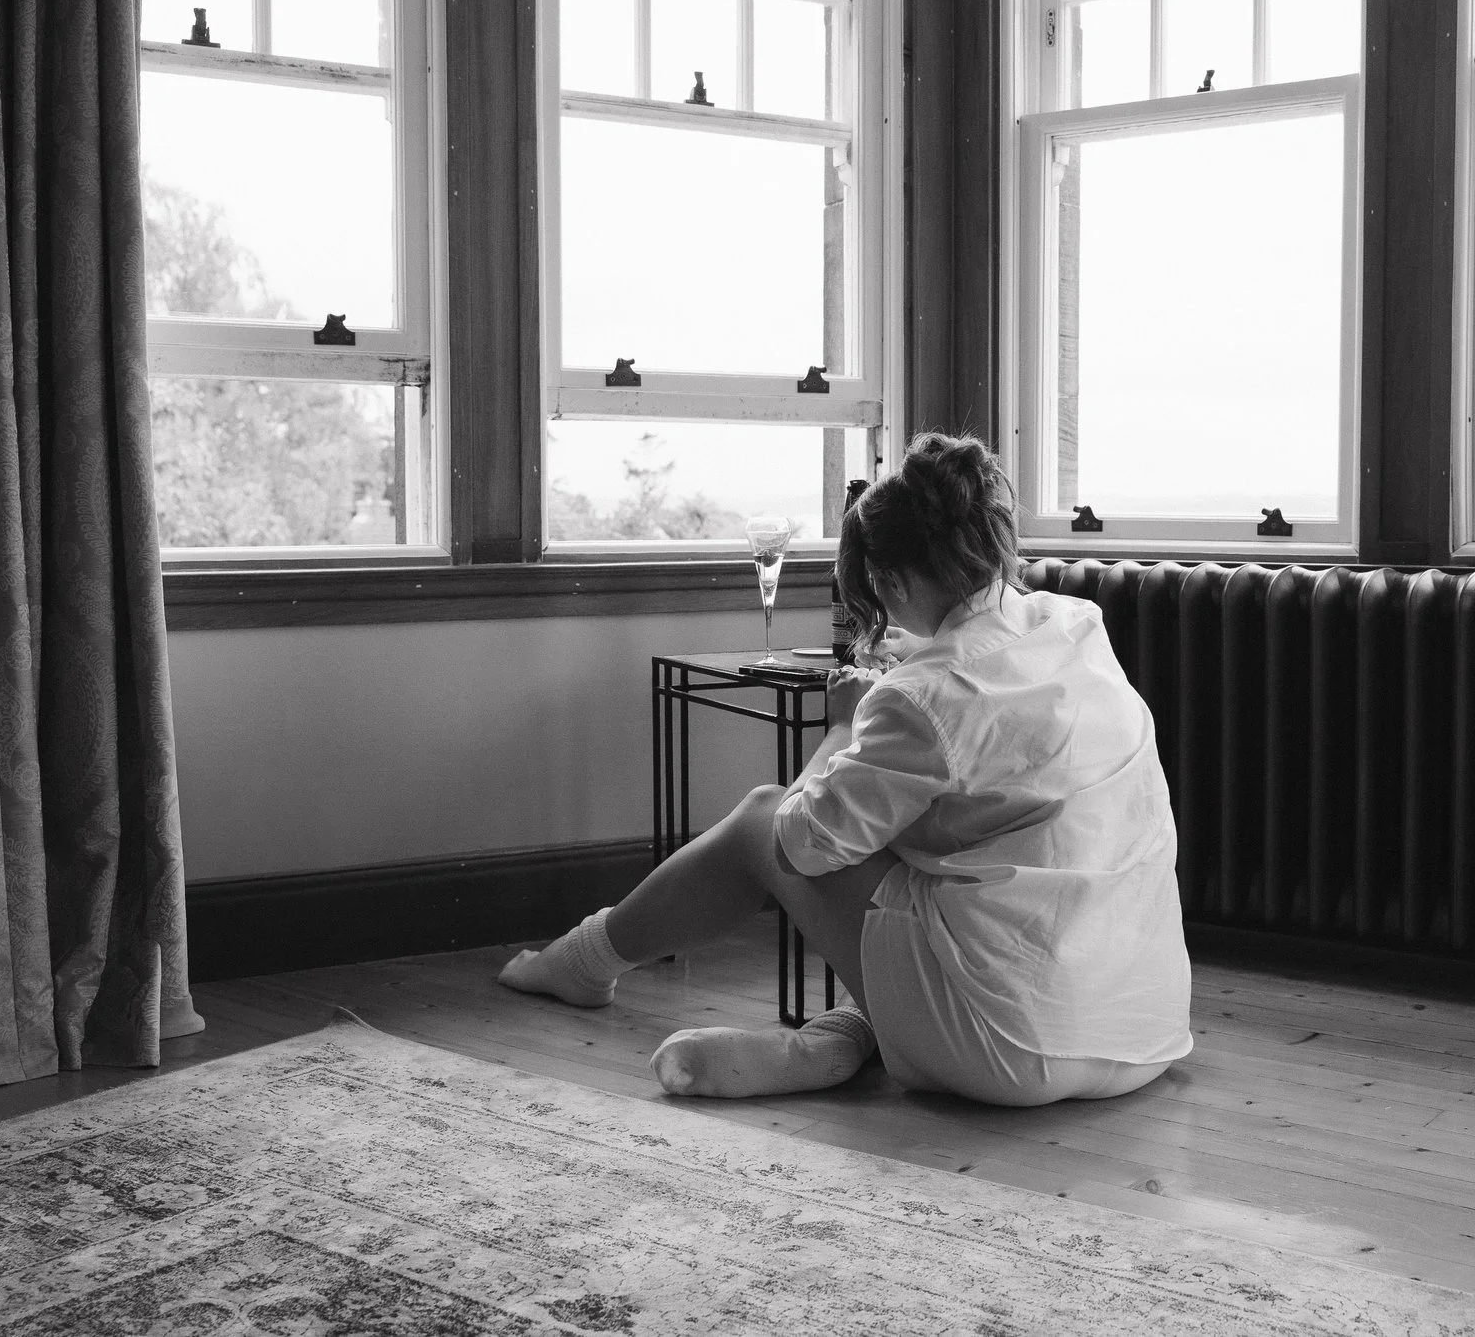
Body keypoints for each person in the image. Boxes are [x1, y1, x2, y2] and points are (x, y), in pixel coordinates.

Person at [499, 433, 1193, 1108]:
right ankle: (848, 1037)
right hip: (1145, 1028)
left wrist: (841, 726)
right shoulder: (1075, 626)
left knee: (761, 817)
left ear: (890, 578)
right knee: (910, 840)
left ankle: (584, 962)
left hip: (1010, 1048)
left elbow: (794, 847)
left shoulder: (922, 695)